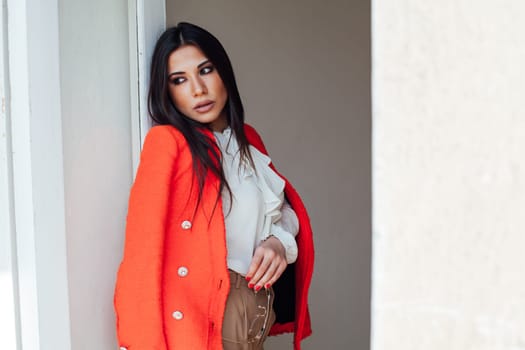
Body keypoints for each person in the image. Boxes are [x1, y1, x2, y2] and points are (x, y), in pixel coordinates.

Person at [113, 22, 314, 350]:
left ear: (224, 73)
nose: (197, 90)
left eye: (205, 71)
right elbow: (142, 252)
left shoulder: (249, 141)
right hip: (201, 323)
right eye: (179, 80)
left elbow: (282, 211)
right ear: (167, 91)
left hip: (253, 317)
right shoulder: (169, 144)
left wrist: (278, 242)